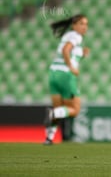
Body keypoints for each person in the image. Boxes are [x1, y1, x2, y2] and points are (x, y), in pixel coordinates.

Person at [43, 14, 89, 145]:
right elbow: (65, 50)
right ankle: (53, 113)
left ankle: (49, 138)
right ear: (74, 25)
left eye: (86, 24)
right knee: (75, 109)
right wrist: (71, 67)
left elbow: (68, 52)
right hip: (65, 75)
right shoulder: (76, 36)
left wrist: (82, 55)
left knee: (59, 109)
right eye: (81, 23)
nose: (85, 27)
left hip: (53, 73)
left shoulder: (67, 36)